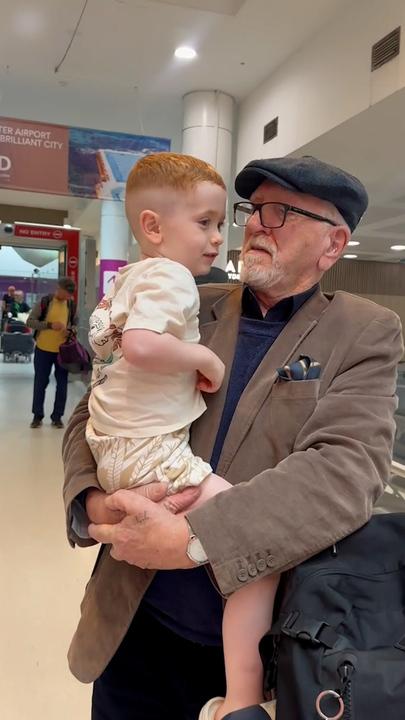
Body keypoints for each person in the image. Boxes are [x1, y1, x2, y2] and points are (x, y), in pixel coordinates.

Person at [63, 155, 403, 720]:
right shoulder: (192, 301)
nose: (255, 225)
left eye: (280, 212)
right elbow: (91, 410)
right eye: (254, 209)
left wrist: (191, 539)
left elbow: (345, 473)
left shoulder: (363, 332)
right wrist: (93, 502)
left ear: (333, 243)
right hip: (134, 627)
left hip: (251, 657)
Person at [85, 151, 279, 720]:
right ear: (152, 226)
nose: (223, 237)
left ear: (334, 242)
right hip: (150, 466)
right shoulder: (177, 282)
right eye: (207, 223)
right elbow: (143, 349)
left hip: (118, 448)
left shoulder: (130, 280)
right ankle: (242, 698)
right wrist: (204, 360)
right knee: (254, 549)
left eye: (223, 222)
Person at [27, 276, 77, 429]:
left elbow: (75, 324)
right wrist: (49, 325)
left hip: (62, 352)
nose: (69, 296)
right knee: (40, 383)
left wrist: (70, 331)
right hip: (43, 350)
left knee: (62, 384)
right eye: (66, 293)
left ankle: (57, 416)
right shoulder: (45, 302)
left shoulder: (71, 305)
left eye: (70, 294)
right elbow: (30, 321)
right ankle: (37, 416)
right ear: (59, 289)